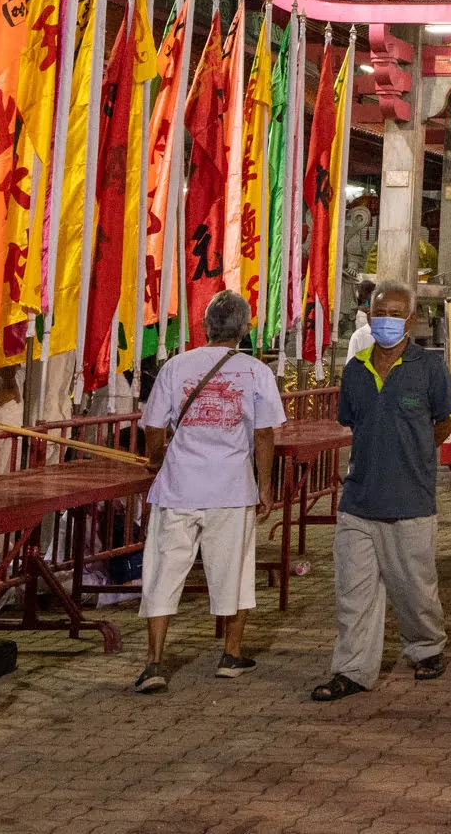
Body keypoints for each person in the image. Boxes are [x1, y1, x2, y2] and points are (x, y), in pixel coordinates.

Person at [312, 278, 451, 701]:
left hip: (410, 501)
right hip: (358, 501)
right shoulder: (356, 370)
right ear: (368, 316)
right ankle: (352, 670)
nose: (387, 320)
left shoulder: (429, 368)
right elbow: (354, 421)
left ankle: (426, 648)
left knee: (415, 588)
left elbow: (444, 421)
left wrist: (414, 451)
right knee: (353, 594)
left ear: (412, 320)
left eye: (396, 314)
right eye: (381, 313)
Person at [131, 289, 283, 694]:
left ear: (204, 326)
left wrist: (156, 458)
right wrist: (265, 485)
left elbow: (153, 426)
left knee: (164, 572)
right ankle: (230, 655)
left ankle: (154, 662)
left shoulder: (177, 367)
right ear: (245, 329)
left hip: (178, 487)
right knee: (232, 571)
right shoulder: (256, 372)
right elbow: (264, 433)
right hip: (232, 488)